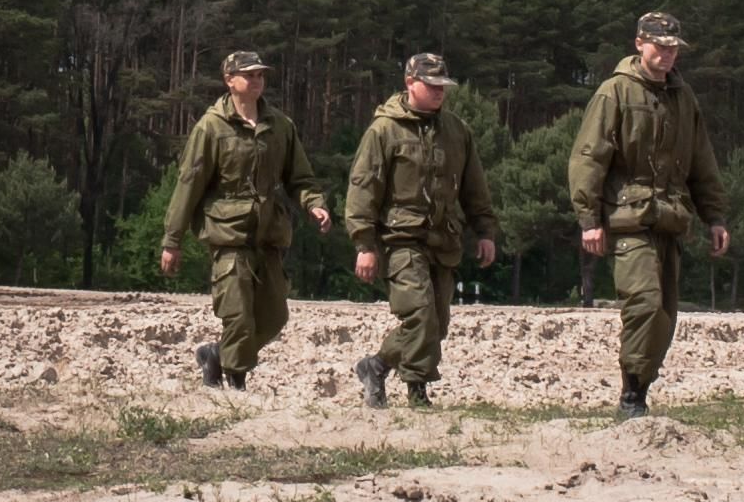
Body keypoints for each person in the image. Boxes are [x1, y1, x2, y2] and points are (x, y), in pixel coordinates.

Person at [569, 12, 730, 420]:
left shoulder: (684, 97)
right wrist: (589, 220)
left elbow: (701, 162)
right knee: (643, 303)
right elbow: (588, 158)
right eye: (659, 45)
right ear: (639, 43)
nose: (667, 54)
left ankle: (639, 387)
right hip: (627, 219)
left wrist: (715, 217)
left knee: (664, 317)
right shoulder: (615, 93)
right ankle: (631, 397)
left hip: (670, 219)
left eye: (673, 47)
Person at [159, 50, 331, 389]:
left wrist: (314, 204)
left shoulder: (280, 126)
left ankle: (217, 355)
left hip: (268, 237)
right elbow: (188, 185)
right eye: (249, 75)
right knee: (237, 315)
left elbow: (300, 178)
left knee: (274, 316)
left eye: (260, 75)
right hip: (228, 234)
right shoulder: (211, 127)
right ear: (229, 80)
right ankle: (236, 383)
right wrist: (172, 240)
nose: (256, 81)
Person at [347, 53, 500, 408]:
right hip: (400, 239)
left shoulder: (457, 131)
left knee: (438, 323)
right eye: (431, 86)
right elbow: (363, 189)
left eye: (442, 86)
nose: (438, 92)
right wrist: (364, 244)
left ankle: (377, 365)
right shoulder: (384, 130)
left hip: (443, 239)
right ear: (410, 83)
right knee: (419, 314)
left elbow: (475, 188)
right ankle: (417, 390)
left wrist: (486, 231)